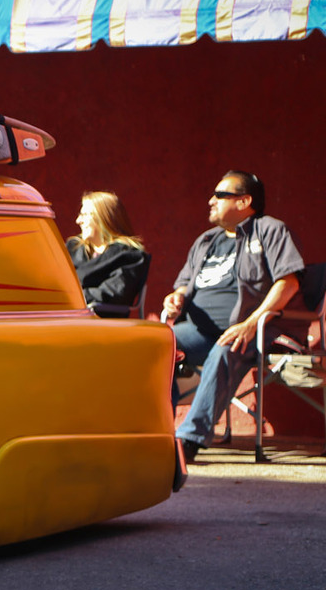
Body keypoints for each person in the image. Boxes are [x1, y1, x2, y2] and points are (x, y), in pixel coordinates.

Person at [161, 171, 304, 463]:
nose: (211, 201)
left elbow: (289, 283)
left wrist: (251, 323)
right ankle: (157, 433)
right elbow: (184, 285)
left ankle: (188, 440)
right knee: (156, 345)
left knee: (226, 348)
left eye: (220, 195)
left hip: (252, 329)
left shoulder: (270, 230)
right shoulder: (206, 240)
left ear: (244, 201)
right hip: (200, 329)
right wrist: (175, 298)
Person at [67, 191, 150, 316]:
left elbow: (112, 294)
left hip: (102, 322)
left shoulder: (129, 257)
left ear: (103, 218)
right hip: (65, 317)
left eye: (84, 215)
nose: (78, 221)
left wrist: (68, 297)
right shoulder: (73, 248)